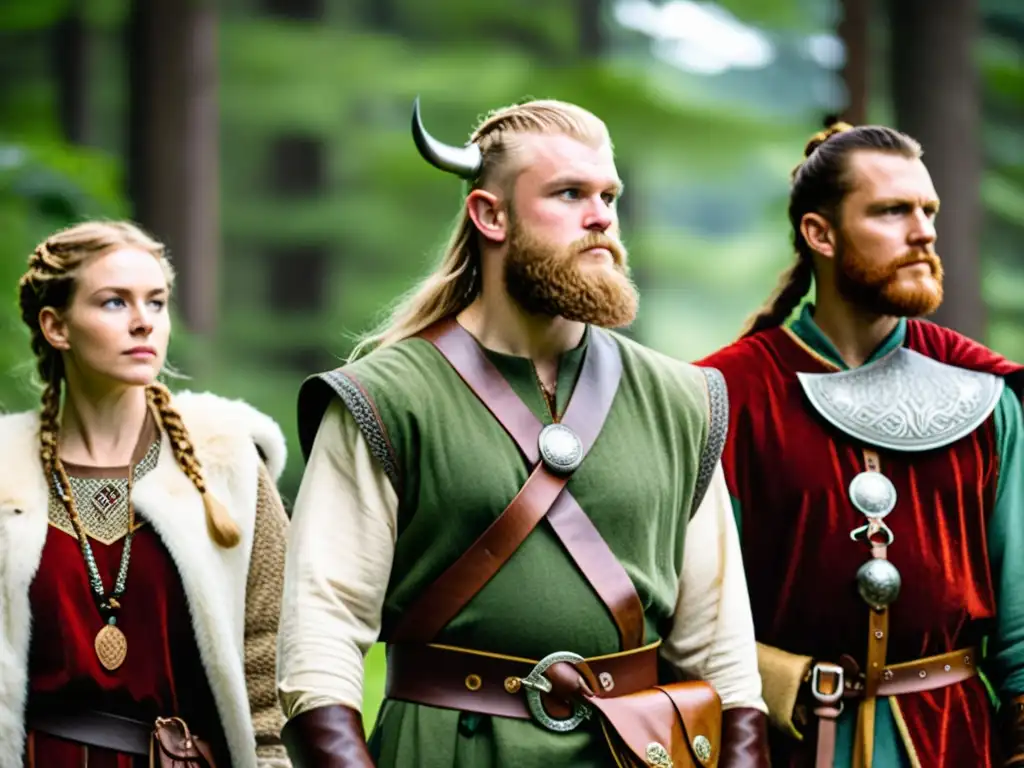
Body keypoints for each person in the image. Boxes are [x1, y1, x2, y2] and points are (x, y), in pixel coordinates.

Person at [276, 98, 770, 767]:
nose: (600, 217)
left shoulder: (682, 401)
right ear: (490, 214)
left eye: (608, 195)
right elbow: (320, 632)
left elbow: (721, 649)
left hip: (632, 753)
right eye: (569, 194)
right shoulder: (386, 397)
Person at [695, 120, 1024, 767]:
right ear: (820, 234)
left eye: (928, 210)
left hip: (956, 746)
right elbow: (687, 608)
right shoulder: (721, 394)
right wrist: (774, 678)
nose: (924, 230)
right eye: (892, 211)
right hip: (783, 746)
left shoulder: (988, 398)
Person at [1, 220, 292, 768]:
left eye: (156, 303)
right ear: (56, 326)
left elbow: (270, 657)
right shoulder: (4, 472)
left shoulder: (225, 462)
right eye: (114, 303)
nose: (143, 323)